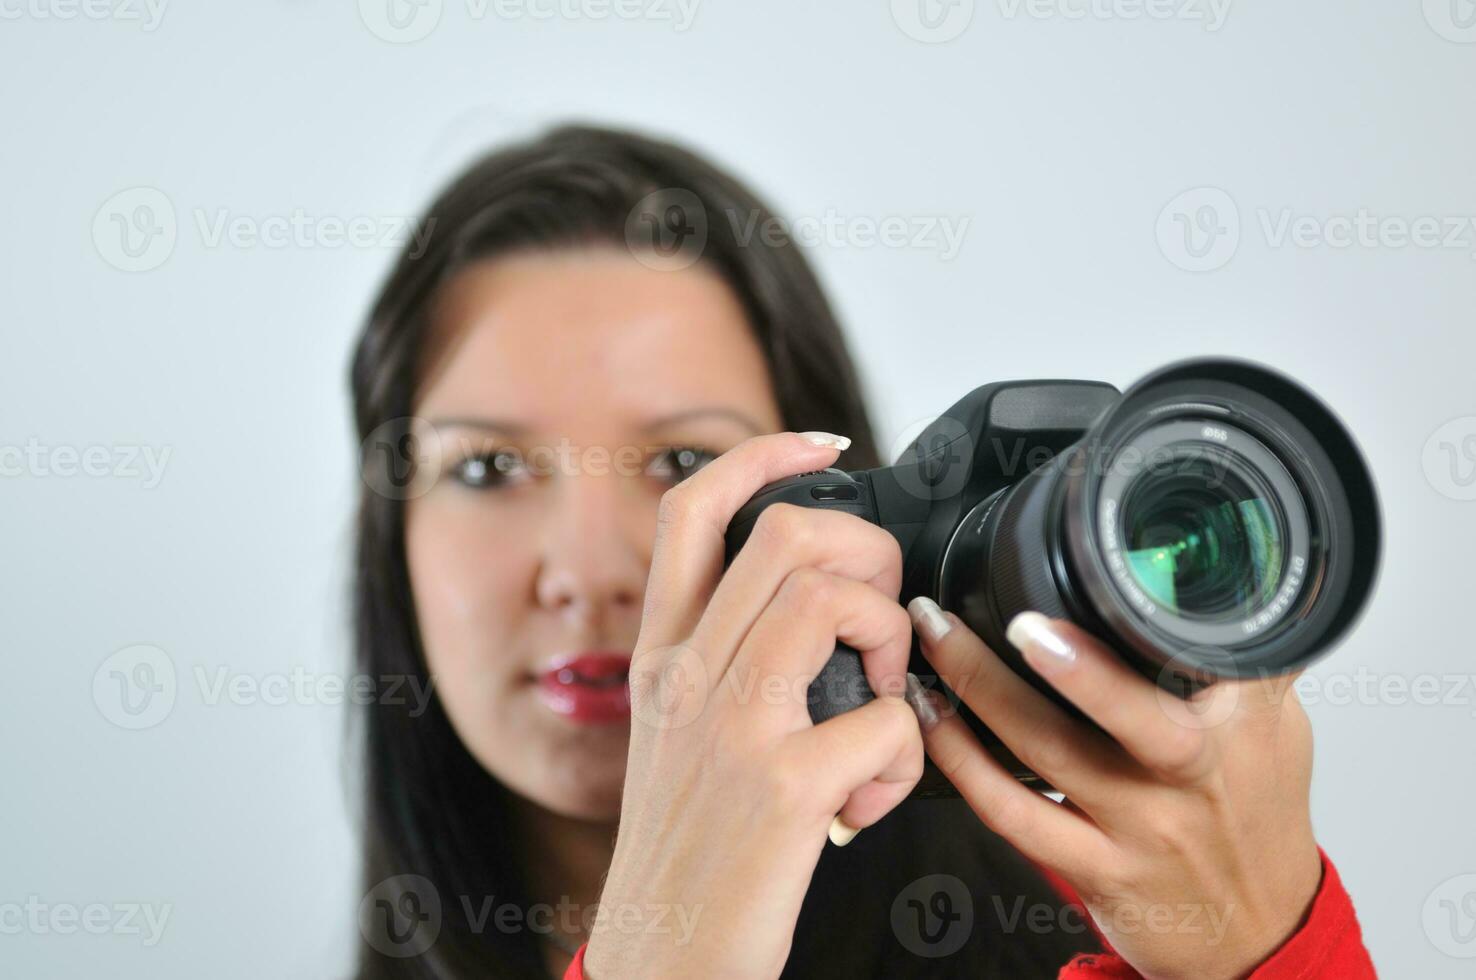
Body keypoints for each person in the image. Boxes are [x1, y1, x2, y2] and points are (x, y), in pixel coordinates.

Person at [349, 124, 1374, 978]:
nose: (591, 570)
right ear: (388, 526)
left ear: (836, 505)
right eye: (485, 469)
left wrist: (1275, 946)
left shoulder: (1106, 939)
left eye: (684, 459)